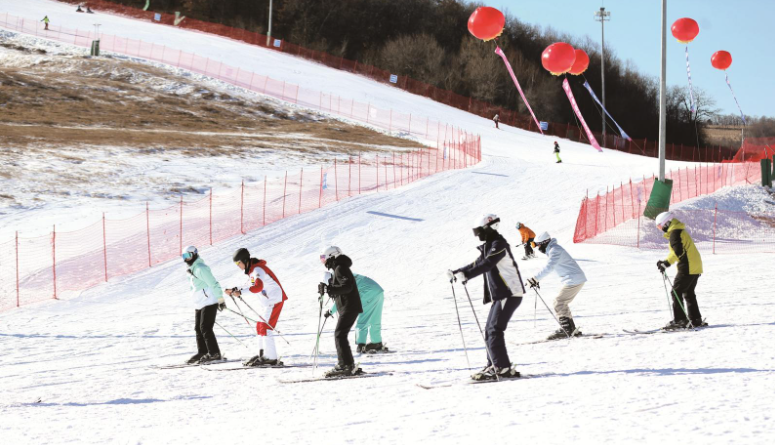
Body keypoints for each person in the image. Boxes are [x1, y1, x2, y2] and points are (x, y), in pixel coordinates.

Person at [448, 214, 524, 381]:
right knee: (490, 330)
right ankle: (495, 364)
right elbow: (477, 264)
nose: (478, 235)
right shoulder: (490, 245)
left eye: (479, 231)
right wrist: (457, 272)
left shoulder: (499, 244)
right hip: (502, 294)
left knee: (494, 329)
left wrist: (466, 275)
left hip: (510, 292)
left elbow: (487, 264)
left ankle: (501, 367)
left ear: (489, 228)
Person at [226, 248, 287, 367]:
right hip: (267, 302)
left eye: (238, 263)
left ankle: (271, 358)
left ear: (244, 260)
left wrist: (241, 293)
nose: (238, 266)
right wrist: (234, 290)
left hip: (274, 300)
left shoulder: (258, 269)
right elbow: (248, 285)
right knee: (260, 326)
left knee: (266, 327)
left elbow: (258, 286)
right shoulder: (253, 270)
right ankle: (262, 354)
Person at [527, 232, 587, 340]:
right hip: (574, 279)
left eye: (537, 245)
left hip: (574, 279)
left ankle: (566, 330)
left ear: (544, 243)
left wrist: (535, 279)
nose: (537, 248)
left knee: (559, 302)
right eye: (534, 245)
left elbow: (549, 267)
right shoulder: (553, 249)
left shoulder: (555, 250)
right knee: (561, 302)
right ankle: (571, 329)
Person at [655, 211, 705, 330]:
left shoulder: (675, 233)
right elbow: (676, 251)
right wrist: (665, 261)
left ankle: (680, 320)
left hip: (688, 266)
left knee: (676, 292)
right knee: (688, 293)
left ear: (666, 223)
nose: (660, 229)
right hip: (695, 265)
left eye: (660, 226)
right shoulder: (679, 231)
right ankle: (695, 319)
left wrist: (666, 264)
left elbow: (678, 252)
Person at [319, 246, 364, 377]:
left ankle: (344, 365)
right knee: (341, 334)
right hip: (348, 306)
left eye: (323, 258)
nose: (323, 261)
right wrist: (327, 288)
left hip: (349, 306)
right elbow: (339, 288)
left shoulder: (340, 268)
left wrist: (330, 289)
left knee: (339, 334)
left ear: (331, 256)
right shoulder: (339, 268)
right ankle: (348, 364)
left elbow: (347, 286)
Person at [182, 245, 226, 364]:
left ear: (194, 254)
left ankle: (214, 353)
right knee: (198, 328)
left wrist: (220, 299)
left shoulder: (201, 268)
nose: (185, 259)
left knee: (205, 328)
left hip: (209, 301)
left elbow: (213, 283)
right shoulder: (192, 269)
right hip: (199, 302)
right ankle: (203, 352)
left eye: (187, 256)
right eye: (183, 256)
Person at [324, 273, 386, 353]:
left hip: (368, 293)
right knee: (375, 319)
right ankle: (377, 342)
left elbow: (340, 300)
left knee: (362, 319)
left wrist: (330, 311)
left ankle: (361, 345)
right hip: (378, 291)